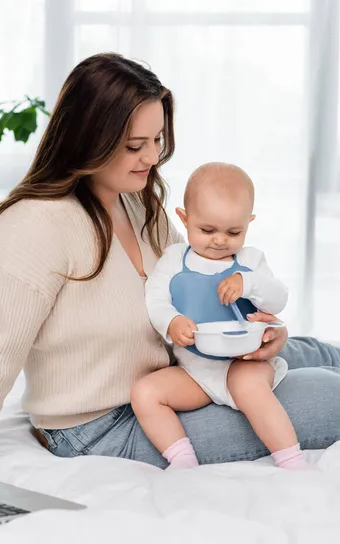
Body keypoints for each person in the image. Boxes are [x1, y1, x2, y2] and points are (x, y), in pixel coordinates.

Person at [0, 52, 340, 471]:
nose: (152, 157)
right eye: (135, 145)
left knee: (313, 349)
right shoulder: (31, 228)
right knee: (332, 394)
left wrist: (258, 333)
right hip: (103, 425)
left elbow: (201, 288)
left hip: (186, 372)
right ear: (88, 139)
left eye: (157, 140)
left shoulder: (138, 205)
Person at [133, 162, 309, 471]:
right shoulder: (175, 259)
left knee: (248, 389)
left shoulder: (250, 260)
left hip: (242, 364)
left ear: (248, 224)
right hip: (194, 372)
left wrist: (248, 282)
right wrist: (171, 322)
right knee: (145, 392)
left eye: (234, 231)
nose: (220, 240)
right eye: (207, 230)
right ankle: (182, 459)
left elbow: (278, 298)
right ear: (184, 219)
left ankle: (292, 460)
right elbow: (156, 300)